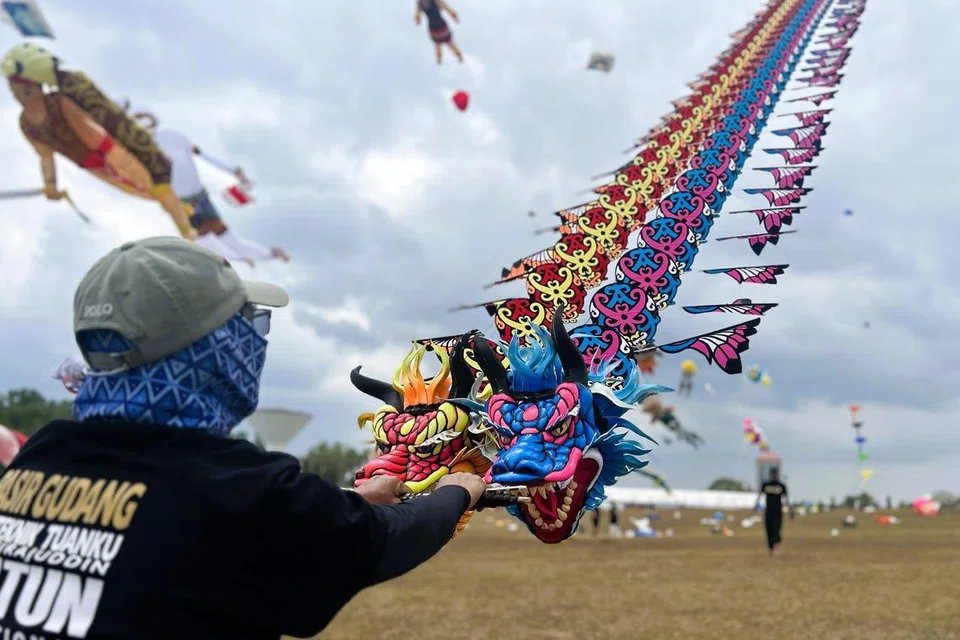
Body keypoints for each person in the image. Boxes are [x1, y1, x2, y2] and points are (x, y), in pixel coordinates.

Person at [0, 236, 486, 638]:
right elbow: (383, 541)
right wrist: (455, 492)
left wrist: (348, 500)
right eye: (244, 323)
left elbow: (170, 525)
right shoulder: (237, 488)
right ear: (210, 348)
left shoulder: (39, 457)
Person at [1, 43, 196, 239]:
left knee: (155, 186)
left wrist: (112, 157)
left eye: (13, 85)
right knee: (140, 191)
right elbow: (45, 156)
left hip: (111, 153)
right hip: (92, 165)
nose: (12, 91)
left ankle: (187, 231)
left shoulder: (59, 102)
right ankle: (179, 209)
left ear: (28, 84)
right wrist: (50, 185)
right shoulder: (26, 124)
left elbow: (90, 130)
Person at [116, 100, 290, 265]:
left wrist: (234, 171)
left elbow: (203, 155)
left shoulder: (170, 136)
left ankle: (263, 255)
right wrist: (234, 171)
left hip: (195, 196)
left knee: (220, 238)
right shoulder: (141, 147)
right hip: (182, 202)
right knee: (211, 240)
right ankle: (249, 258)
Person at [758, 467, 794, 556]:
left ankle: (776, 547)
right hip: (768, 511)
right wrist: (756, 506)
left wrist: (790, 510)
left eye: (775, 474)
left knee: (776, 530)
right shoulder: (766, 485)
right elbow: (759, 496)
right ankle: (771, 548)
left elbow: (786, 499)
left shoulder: (781, 486)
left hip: (778, 511)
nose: (774, 476)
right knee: (768, 530)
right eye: (772, 474)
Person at [415, 0, 464, 64]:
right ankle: (439, 59)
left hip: (441, 25)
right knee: (438, 44)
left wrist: (454, 16)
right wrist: (418, 19)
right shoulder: (420, 3)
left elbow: (447, 8)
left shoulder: (435, 1)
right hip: (433, 27)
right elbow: (417, 14)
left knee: (449, 42)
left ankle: (459, 55)